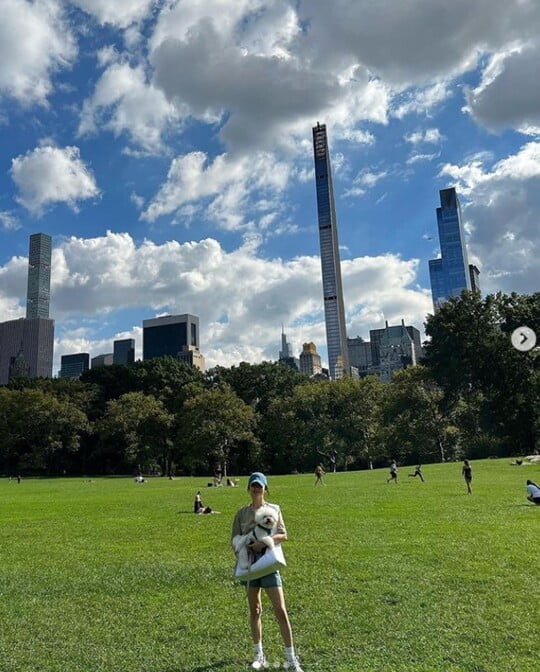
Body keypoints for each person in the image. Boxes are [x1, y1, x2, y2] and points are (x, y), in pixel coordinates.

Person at [231, 472, 303, 672]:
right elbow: (234, 540)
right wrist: (244, 550)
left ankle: (291, 658)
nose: (256, 489)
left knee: (280, 610)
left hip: (269, 564)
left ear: (265, 489)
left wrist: (262, 543)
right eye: (253, 486)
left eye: (259, 486)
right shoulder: (241, 513)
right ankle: (259, 655)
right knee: (255, 611)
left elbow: (283, 535)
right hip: (250, 568)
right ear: (249, 488)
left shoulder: (274, 509)